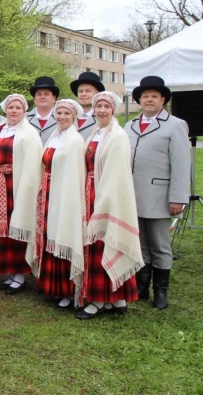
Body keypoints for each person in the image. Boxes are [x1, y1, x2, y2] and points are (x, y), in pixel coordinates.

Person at [124, 77, 189, 309]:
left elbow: (181, 164)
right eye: (145, 96)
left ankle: (161, 291)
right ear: (139, 100)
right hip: (132, 196)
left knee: (159, 244)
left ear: (163, 100)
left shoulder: (175, 125)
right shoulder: (129, 126)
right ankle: (142, 287)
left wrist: (178, 197)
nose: (149, 100)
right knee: (140, 244)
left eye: (154, 96)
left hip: (159, 195)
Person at [77, 91, 144, 319]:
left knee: (103, 243)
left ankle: (103, 299)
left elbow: (116, 174)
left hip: (106, 196)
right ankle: (110, 298)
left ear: (113, 110)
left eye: (106, 107)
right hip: (90, 191)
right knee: (95, 246)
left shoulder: (117, 136)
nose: (102, 111)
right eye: (98, 107)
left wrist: (102, 201)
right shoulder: (95, 133)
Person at [27, 99, 86, 310]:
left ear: (74, 117)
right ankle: (52, 287)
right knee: (49, 236)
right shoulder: (55, 136)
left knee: (62, 236)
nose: (61, 117)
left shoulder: (75, 140)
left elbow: (74, 174)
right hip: (49, 191)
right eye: (59, 113)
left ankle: (68, 291)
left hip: (64, 194)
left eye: (66, 114)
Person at [0, 94, 43, 295]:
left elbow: (32, 165)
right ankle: (9, 272)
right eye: (11, 107)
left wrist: (25, 190)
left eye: (18, 108)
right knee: (1, 230)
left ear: (24, 111)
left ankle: (20, 275)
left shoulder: (29, 133)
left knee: (17, 228)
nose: (13, 111)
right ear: (5, 109)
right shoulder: (0, 129)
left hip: (16, 186)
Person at [71, 72, 105, 140]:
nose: (83, 94)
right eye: (81, 91)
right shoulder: (69, 116)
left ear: (97, 94)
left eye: (88, 91)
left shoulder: (104, 119)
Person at [26, 76, 59, 145]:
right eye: (39, 94)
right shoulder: (24, 118)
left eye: (46, 94)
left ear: (54, 98)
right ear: (34, 99)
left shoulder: (62, 118)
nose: (42, 97)